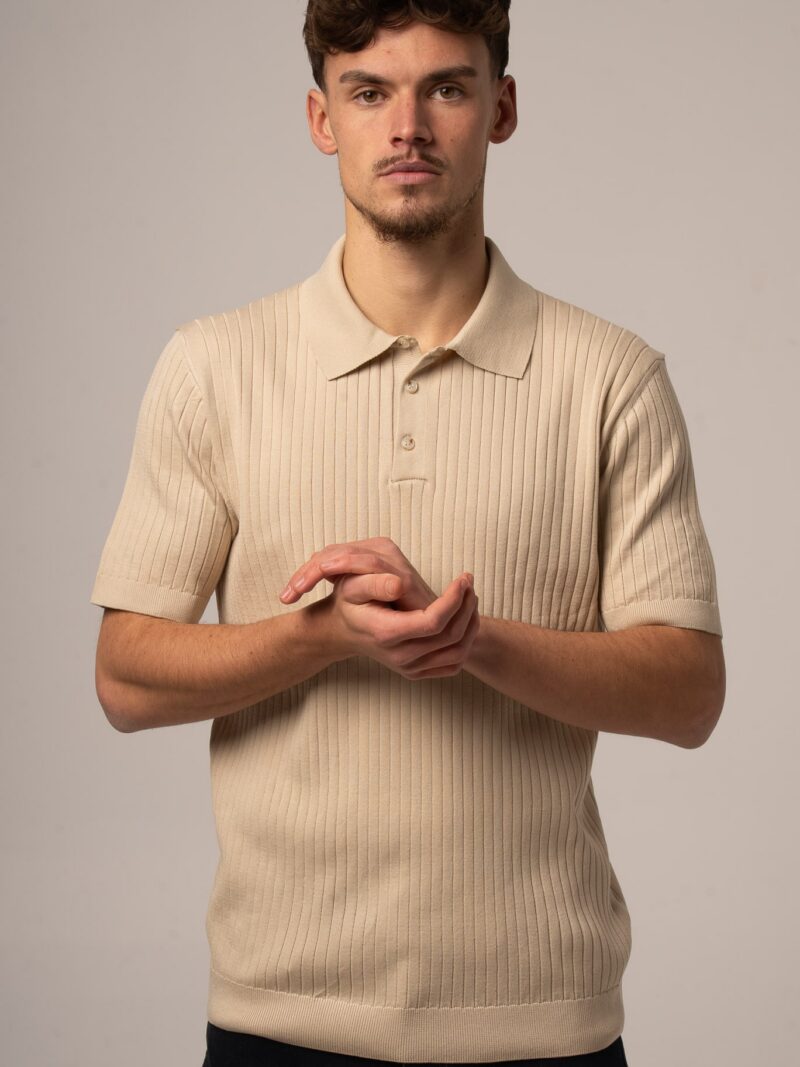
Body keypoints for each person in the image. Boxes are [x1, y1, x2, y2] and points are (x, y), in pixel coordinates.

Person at [90, 2, 726, 1065]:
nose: (407, 127)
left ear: (501, 108)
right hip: (280, 1018)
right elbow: (124, 678)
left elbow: (689, 694)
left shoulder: (612, 380)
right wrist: (321, 635)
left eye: (446, 87)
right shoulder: (214, 369)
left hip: (543, 1024)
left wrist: (471, 641)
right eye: (369, 92)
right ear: (320, 119)